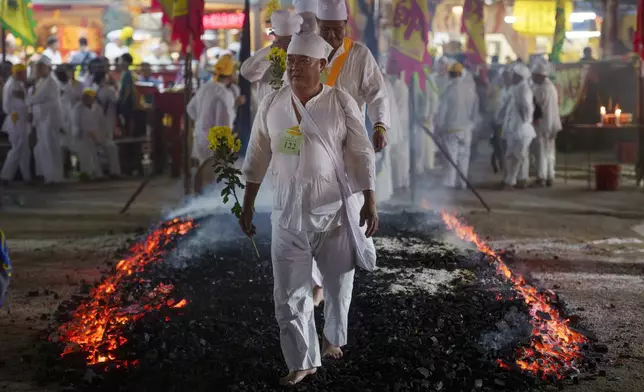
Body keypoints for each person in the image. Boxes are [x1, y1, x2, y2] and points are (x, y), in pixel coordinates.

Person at [240, 32, 378, 386]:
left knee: (336, 285)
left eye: (302, 62)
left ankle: (333, 337)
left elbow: (361, 152)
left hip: (333, 213)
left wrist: (370, 199)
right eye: (290, 61)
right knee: (288, 293)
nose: (294, 68)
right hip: (287, 214)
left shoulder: (341, 102)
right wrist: (248, 202)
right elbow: (257, 154)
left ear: (321, 65)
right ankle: (302, 361)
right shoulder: (272, 104)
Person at [317, 0, 389, 153]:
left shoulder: (360, 55)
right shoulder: (307, 54)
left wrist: (379, 126)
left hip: (350, 142)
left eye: (337, 29)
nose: (331, 36)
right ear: (318, 23)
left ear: (345, 24)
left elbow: (378, 95)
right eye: (325, 29)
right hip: (316, 143)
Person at [187, 55, 244, 166]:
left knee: (203, 175)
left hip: (199, 139)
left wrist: (202, 123)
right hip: (214, 144)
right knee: (214, 179)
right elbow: (224, 122)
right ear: (231, 75)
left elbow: (190, 109)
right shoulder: (224, 94)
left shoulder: (205, 87)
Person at [240, 9, 302, 108]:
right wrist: (273, 50)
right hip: (267, 115)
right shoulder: (267, 53)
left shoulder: (304, 56)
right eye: (282, 40)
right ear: (275, 36)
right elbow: (247, 73)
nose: (286, 45)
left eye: (289, 40)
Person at [435, 62, 479, 189]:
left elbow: (442, 111)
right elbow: (475, 109)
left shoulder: (449, 90)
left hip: (451, 128)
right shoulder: (470, 89)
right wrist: (473, 124)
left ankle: (450, 182)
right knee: (464, 156)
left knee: (451, 157)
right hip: (467, 129)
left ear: (450, 74)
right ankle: (462, 183)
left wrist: (439, 126)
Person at [28, 56, 64, 184]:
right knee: (45, 148)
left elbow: (35, 98)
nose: (37, 71)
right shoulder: (41, 81)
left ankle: (54, 177)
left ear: (47, 68)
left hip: (49, 119)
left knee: (51, 147)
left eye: (39, 68)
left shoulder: (51, 81)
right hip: (42, 119)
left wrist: (27, 97)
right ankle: (49, 176)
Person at [502, 64, 536, 189]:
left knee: (517, 155)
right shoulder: (516, 88)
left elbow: (527, 108)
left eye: (514, 75)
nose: (512, 77)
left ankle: (511, 181)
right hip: (514, 128)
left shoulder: (524, 89)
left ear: (520, 77)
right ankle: (522, 179)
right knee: (515, 155)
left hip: (521, 128)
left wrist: (525, 120)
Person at [531, 61, 561, 187]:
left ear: (540, 75)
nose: (532, 78)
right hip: (553, 124)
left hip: (543, 124)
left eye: (534, 76)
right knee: (550, 151)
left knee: (541, 152)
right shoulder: (551, 87)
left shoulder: (541, 89)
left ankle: (541, 177)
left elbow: (536, 108)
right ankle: (550, 175)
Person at [1, 64, 31, 184]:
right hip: (16, 120)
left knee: (24, 150)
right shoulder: (12, 85)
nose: (25, 75)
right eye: (22, 73)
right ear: (17, 73)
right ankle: (5, 176)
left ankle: (26, 176)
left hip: (19, 119)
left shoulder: (16, 83)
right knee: (18, 147)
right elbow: (12, 105)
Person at [386, 60, 410, 192]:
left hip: (399, 124)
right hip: (400, 123)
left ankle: (400, 182)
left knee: (399, 155)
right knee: (400, 155)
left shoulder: (396, 86)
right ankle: (401, 182)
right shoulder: (398, 85)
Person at [72, 89, 104, 179]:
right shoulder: (81, 109)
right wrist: (95, 138)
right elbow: (84, 126)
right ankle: (87, 174)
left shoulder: (95, 108)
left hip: (87, 135)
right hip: (84, 136)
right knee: (86, 156)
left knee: (90, 156)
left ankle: (93, 174)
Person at [94, 74, 121, 178]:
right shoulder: (108, 90)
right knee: (110, 145)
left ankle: (103, 169)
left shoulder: (95, 89)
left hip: (98, 121)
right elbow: (116, 100)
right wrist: (116, 86)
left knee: (101, 147)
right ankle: (113, 171)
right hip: (107, 120)